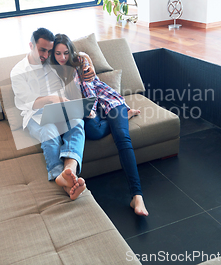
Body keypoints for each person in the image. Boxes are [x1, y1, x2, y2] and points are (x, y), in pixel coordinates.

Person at [51, 34, 148, 216]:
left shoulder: (80, 62)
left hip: (108, 101)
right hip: (91, 111)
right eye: (58, 53)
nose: (62, 57)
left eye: (66, 52)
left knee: (122, 138)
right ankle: (125, 118)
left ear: (71, 51)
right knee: (93, 131)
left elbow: (90, 87)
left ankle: (137, 195)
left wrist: (85, 60)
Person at [10, 28, 88, 200]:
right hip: (35, 115)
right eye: (42, 50)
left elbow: (73, 58)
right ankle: (64, 181)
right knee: (49, 131)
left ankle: (69, 171)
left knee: (77, 122)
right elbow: (29, 103)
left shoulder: (51, 66)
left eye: (49, 51)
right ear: (31, 45)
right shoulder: (18, 72)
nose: (46, 55)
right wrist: (52, 99)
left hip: (58, 110)